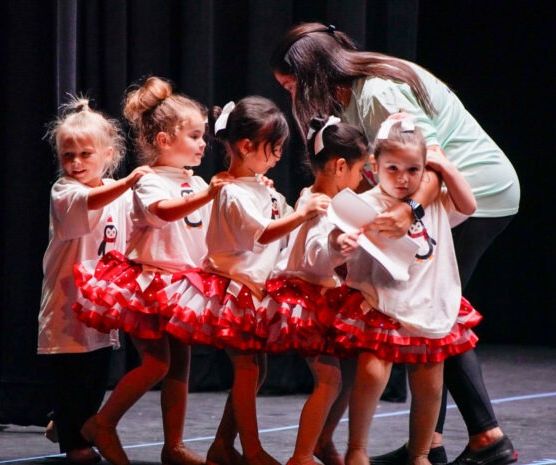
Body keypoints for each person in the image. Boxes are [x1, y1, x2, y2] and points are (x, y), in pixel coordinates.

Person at [271, 22, 520, 465]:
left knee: (435, 311)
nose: (293, 97)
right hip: (442, 200)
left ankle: (482, 437)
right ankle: (436, 444)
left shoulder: (378, 93)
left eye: (292, 86)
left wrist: (411, 212)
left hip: (473, 195)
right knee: (433, 313)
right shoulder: (352, 97)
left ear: (312, 74)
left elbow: (429, 163)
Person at [159, 96, 330, 465]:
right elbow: (264, 233)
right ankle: (252, 451)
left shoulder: (258, 186)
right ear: (246, 146)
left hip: (253, 289)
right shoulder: (232, 192)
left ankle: (223, 444)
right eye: (274, 149)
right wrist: (303, 212)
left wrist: (302, 205)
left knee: (256, 367)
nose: (279, 156)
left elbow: (280, 215)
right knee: (247, 367)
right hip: (231, 290)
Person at [72, 76, 233, 465]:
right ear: (164, 141)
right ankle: (103, 423)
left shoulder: (193, 181)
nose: (202, 144)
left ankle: (172, 445)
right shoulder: (149, 181)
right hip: (148, 283)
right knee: (156, 363)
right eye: (194, 136)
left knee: (180, 366)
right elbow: (161, 214)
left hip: (182, 285)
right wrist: (207, 195)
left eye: (203, 136)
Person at [331, 117, 479, 465]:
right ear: (374, 165)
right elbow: (335, 235)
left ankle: (421, 454)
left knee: (429, 385)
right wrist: (342, 243)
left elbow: (469, 206)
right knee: (371, 372)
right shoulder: (365, 203)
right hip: (384, 304)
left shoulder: (436, 201)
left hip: (427, 303)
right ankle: (357, 449)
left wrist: (443, 164)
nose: (402, 178)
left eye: (414, 169)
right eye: (392, 168)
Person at [37, 96, 151, 464]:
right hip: (67, 303)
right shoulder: (65, 191)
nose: (75, 163)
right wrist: (132, 181)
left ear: (108, 154)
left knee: (95, 374)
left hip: (102, 305)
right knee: (71, 372)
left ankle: (71, 424)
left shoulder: (117, 190)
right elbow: (92, 200)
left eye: (85, 154)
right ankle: (73, 441)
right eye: (68, 156)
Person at [261, 116, 370, 465]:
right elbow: (314, 257)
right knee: (330, 378)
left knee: (345, 375)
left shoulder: (319, 195)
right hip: (306, 296)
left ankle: (321, 442)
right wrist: (339, 247)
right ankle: (302, 455)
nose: (361, 179)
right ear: (340, 166)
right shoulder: (324, 207)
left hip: (318, 292)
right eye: (359, 170)